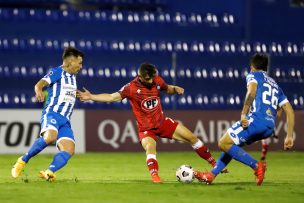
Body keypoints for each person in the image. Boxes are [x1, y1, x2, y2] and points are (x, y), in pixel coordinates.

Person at [77, 63, 217, 183]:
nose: (151, 82)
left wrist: (175, 89)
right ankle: (155, 175)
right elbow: (111, 97)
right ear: (141, 77)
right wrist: (91, 97)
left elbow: (167, 88)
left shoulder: (156, 80)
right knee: (150, 147)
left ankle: (215, 164)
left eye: (152, 78)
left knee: (192, 137)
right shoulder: (130, 88)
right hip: (146, 129)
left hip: (162, 122)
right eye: (148, 79)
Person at [194, 53, 295, 186]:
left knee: (223, 143)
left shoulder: (253, 75)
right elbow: (289, 111)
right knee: (231, 145)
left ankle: (256, 165)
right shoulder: (276, 85)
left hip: (256, 120)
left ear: (252, 67)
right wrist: (289, 136)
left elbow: (252, 91)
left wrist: (243, 114)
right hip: (269, 127)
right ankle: (211, 175)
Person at [11, 47, 84, 182]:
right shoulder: (58, 72)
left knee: (69, 150)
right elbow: (40, 83)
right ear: (70, 61)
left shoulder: (73, 78)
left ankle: (49, 171)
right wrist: (38, 90)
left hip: (65, 120)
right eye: (79, 63)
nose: (81, 67)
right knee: (50, 137)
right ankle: (22, 160)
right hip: (52, 114)